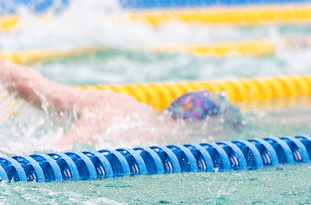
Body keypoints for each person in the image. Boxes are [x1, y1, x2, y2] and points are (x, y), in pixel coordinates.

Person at [0, 58, 242, 148]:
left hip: (102, 118)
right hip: (90, 142)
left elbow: (25, 82)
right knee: (56, 152)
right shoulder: (155, 139)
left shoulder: (122, 102)